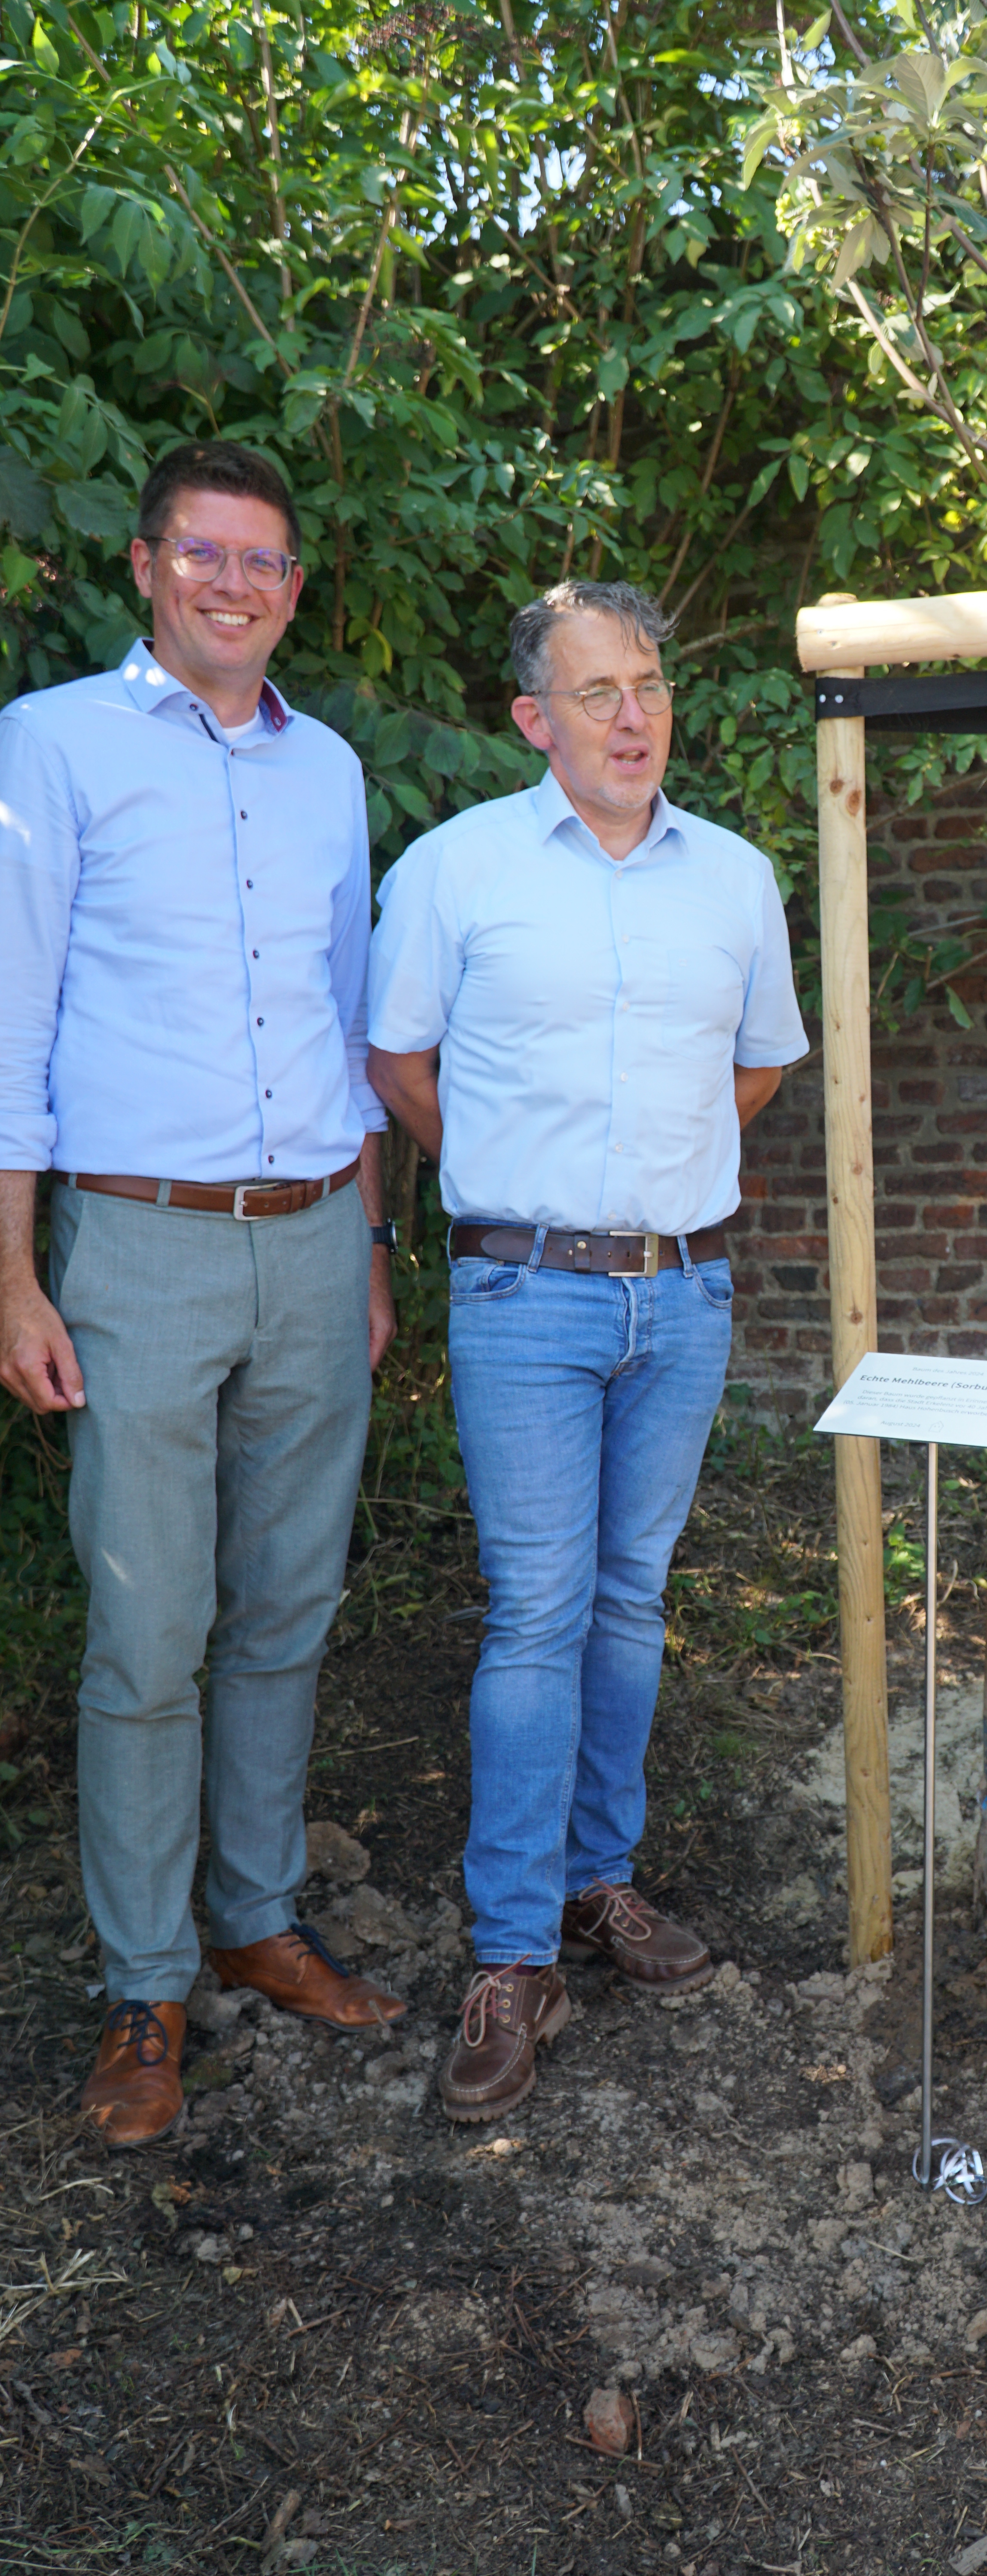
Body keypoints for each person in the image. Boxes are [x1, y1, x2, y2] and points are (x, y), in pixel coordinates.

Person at [0, 440, 406, 2150]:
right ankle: (145, 1985)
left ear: (293, 590)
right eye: (204, 553)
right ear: (145, 565)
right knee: (149, 1628)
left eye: (264, 562)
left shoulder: (331, 770)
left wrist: (370, 1243)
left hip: (313, 1239)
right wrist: (13, 1277)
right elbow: (10, 1027)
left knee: (287, 1607)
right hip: (140, 1247)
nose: (234, 585)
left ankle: (253, 1918)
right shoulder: (52, 745)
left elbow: (350, 1020)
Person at [366, 578, 807, 2125]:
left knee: (631, 1603)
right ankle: (511, 1956)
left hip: (681, 1296)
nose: (636, 716)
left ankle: (597, 1880)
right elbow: (397, 1063)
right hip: (526, 1300)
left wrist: (651, 1184)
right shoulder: (457, 868)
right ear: (533, 720)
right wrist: (516, 1178)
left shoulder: (736, 877)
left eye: (652, 685)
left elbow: (756, 1070)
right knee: (537, 1614)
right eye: (599, 691)